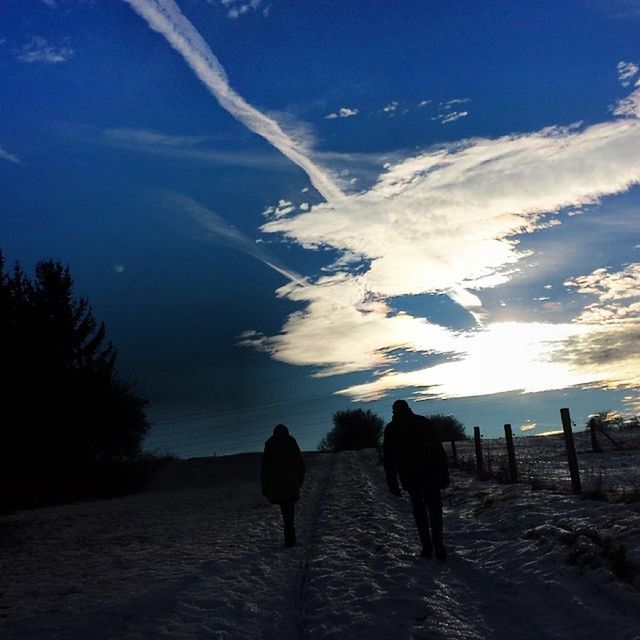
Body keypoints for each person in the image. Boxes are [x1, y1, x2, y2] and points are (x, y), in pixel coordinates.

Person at [383, 399, 450, 560]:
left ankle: (427, 546)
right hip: (430, 472)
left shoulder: (392, 429)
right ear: (409, 408)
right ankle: (437, 542)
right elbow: (438, 450)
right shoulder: (423, 422)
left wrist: (392, 482)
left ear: (394, 412)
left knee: (419, 509)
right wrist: (444, 473)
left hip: (410, 475)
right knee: (434, 508)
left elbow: (388, 458)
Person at [261, 424, 306, 547]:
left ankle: (289, 538)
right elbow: (300, 462)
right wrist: (299, 480)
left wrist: (265, 487)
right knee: (289, 513)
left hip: (277, 486)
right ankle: (290, 538)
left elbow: (265, 468)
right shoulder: (290, 441)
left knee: (285, 512)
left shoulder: (270, 444)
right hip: (291, 484)